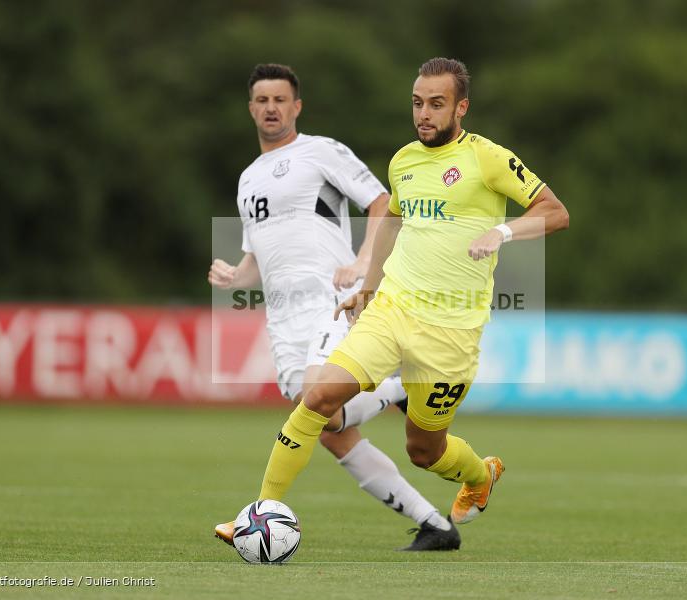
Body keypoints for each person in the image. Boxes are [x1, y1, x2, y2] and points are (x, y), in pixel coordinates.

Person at [215, 57, 568, 541]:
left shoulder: (487, 158)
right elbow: (393, 223)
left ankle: (480, 476)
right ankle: (260, 512)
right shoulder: (403, 161)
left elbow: (555, 212)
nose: (424, 114)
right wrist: (369, 286)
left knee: (424, 451)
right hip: (392, 310)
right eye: (418, 104)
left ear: (461, 107)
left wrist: (502, 231)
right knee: (317, 397)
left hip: (451, 331)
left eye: (437, 104)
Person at [209, 64, 459, 551]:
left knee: (315, 398)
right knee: (330, 428)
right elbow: (257, 256)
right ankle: (434, 524)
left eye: (280, 99)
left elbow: (383, 202)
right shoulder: (247, 179)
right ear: (251, 108)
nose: (271, 108)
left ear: (296, 106)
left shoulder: (319, 151)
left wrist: (365, 263)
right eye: (262, 100)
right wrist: (235, 277)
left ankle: (261, 512)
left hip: (332, 301)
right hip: (283, 318)